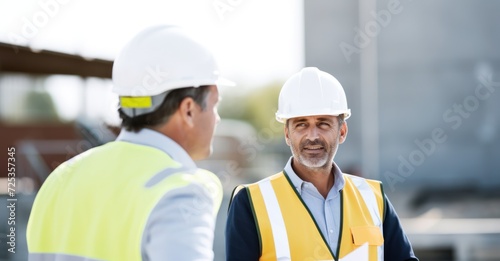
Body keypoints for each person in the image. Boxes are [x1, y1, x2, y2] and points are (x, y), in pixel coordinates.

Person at [27, 25, 232, 260]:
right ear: (188, 110)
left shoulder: (60, 179)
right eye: (215, 104)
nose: (217, 118)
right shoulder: (180, 191)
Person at [225, 67, 418, 261]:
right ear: (287, 134)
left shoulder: (374, 198)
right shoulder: (250, 203)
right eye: (301, 124)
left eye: (323, 123)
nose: (312, 136)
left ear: (342, 131)